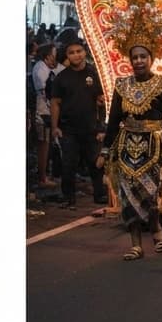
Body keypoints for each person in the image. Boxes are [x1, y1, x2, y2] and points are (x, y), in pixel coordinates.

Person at [96, 0, 162, 261]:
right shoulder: (122, 85)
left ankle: (155, 226)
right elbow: (114, 119)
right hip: (126, 147)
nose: (139, 61)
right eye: (135, 57)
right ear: (129, 59)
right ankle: (135, 244)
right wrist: (105, 150)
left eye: (143, 56)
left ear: (151, 57)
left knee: (150, 195)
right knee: (127, 197)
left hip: (153, 147)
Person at [49, 41, 108, 209]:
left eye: (79, 51)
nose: (76, 55)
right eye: (72, 52)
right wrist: (55, 127)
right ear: (67, 56)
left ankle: (100, 195)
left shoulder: (95, 74)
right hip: (68, 129)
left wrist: (102, 127)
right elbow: (55, 103)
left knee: (96, 163)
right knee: (68, 164)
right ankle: (68, 197)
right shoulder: (62, 78)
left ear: (84, 52)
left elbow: (104, 101)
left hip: (92, 129)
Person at [31, 43, 59, 189]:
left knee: (46, 145)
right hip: (42, 111)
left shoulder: (44, 67)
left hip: (46, 110)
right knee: (43, 145)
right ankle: (42, 177)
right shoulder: (41, 68)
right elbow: (44, 90)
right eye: (54, 53)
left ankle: (44, 175)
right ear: (48, 55)